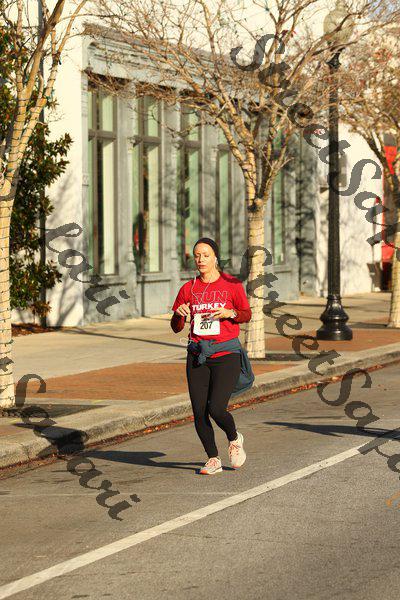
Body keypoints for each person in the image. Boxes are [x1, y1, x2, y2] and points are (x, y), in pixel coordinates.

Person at [170, 237, 252, 475]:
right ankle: (213, 458)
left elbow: (246, 314)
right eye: (197, 255)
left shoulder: (231, 285)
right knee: (199, 411)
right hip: (197, 354)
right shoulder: (189, 288)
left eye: (206, 255)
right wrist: (179, 314)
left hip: (226, 353)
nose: (201, 260)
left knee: (216, 408)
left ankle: (234, 438)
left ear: (215, 257)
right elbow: (176, 327)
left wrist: (230, 313)